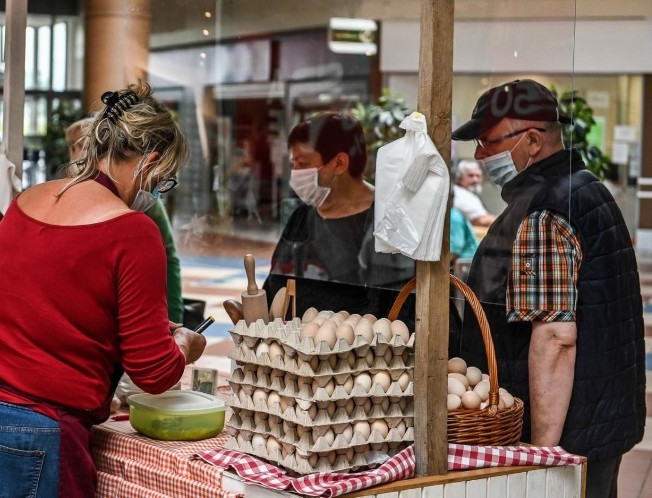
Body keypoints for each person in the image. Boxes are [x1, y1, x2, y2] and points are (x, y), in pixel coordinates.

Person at [0, 82, 207, 498]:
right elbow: (154, 373)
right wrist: (183, 344)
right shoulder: (133, 231)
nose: (160, 190)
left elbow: (47, 308)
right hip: (26, 435)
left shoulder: (27, 201)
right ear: (151, 162)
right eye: (166, 179)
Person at [452, 78, 645, 498]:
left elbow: (555, 337)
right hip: (599, 418)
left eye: (487, 143)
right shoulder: (584, 187)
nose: (479, 155)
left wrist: (542, 456)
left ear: (533, 141)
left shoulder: (547, 209)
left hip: (568, 434)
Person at [262, 112, 415, 315]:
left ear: (340, 163)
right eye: (293, 164)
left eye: (303, 164)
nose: (296, 173)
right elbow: (275, 286)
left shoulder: (387, 221)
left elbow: (397, 305)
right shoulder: (302, 217)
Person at [66, 118, 184, 323]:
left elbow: (169, 257)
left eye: (83, 145)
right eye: (76, 147)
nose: (79, 153)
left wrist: (173, 315)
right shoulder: (138, 226)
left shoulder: (41, 201)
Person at [453, 159, 496, 227]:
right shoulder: (458, 193)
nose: (475, 180)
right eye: (470, 175)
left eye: (478, 176)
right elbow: (481, 220)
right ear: (460, 177)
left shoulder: (470, 194)